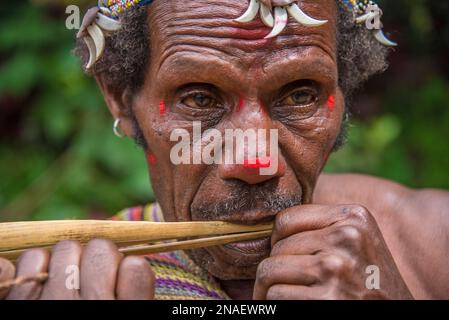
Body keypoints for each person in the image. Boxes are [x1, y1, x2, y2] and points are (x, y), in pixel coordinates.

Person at [0, 0, 448, 300]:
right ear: (120, 97)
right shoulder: (62, 281)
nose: (256, 163)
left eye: (298, 95)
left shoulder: (433, 245)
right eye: (199, 98)